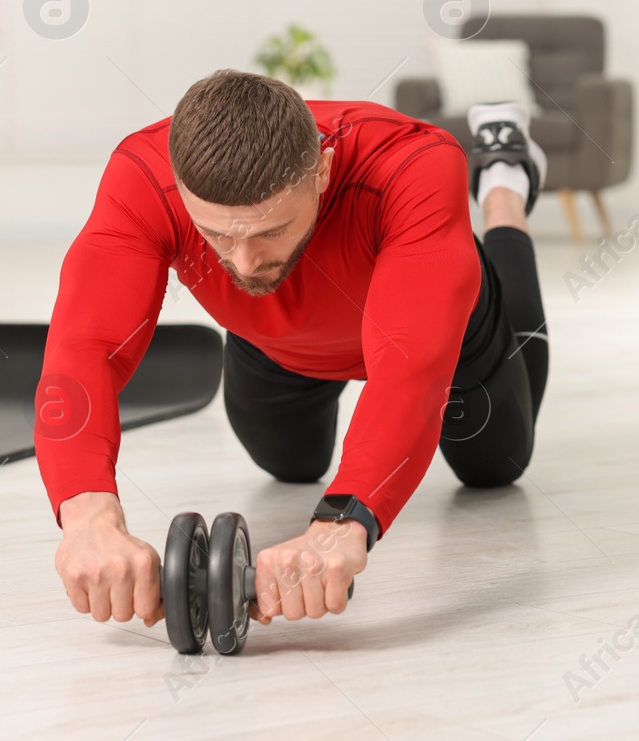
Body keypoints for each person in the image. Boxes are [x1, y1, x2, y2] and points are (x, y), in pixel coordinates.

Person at [35, 69, 550, 628]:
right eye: (217, 236)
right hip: (272, 341)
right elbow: (85, 346)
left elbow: (408, 365)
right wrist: (86, 512)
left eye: (270, 230)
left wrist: (342, 523)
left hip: (440, 331)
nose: (244, 262)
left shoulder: (413, 161)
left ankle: (504, 186)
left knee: (497, 468)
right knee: (290, 465)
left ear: (323, 171)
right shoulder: (143, 174)